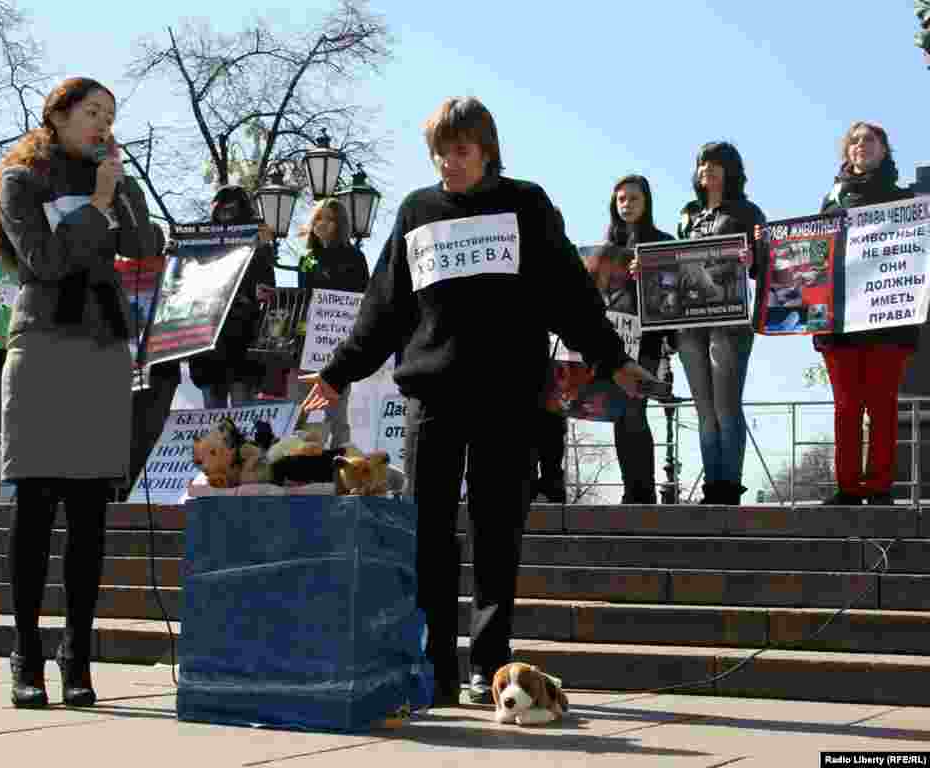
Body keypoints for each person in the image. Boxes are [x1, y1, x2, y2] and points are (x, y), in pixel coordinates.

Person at [299, 96, 656, 707]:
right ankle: (435, 667)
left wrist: (611, 359)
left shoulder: (527, 204)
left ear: (487, 150)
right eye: (440, 151)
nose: (448, 162)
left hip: (509, 395)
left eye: (461, 150)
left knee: (497, 531)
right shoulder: (416, 211)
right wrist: (338, 371)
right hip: (432, 396)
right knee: (428, 534)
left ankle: (490, 665)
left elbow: (568, 294)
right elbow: (385, 308)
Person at [0, 76, 155, 708]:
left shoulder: (111, 178)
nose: (101, 123)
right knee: (34, 505)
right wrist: (95, 205)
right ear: (55, 116)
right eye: (90, 112)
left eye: (109, 114)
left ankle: (76, 653)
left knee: (88, 510)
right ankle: (25, 651)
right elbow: (45, 262)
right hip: (44, 344)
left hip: (102, 349)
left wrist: (118, 190)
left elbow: (144, 247)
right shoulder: (19, 181)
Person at [816, 122, 914, 506]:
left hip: (888, 318)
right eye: (854, 140)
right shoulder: (831, 199)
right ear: (847, 152)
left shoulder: (906, 200)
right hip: (840, 320)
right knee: (846, 406)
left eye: (870, 140)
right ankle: (848, 487)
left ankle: (880, 487)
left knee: (882, 404)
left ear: (884, 150)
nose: (861, 145)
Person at [671, 142, 765, 505]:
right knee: (704, 409)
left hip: (730, 321)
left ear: (730, 170)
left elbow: (762, 265)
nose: (706, 170)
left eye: (715, 164)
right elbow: (672, 263)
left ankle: (730, 485)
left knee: (727, 406)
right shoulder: (687, 214)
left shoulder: (747, 210)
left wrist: (752, 254)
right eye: (701, 165)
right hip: (688, 321)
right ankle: (712, 485)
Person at [602, 175, 675, 504]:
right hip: (614, 339)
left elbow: (677, 287)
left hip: (647, 339)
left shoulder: (662, 241)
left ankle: (642, 491)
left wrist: (649, 274)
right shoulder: (607, 246)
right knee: (621, 413)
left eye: (633, 198)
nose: (626, 204)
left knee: (635, 410)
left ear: (646, 203)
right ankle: (632, 487)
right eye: (621, 199)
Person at [290, 197, 369, 448]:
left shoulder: (355, 257)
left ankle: (340, 470)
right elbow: (302, 302)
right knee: (298, 415)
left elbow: (360, 302)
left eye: (330, 219)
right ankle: (294, 468)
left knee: (337, 415)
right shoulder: (307, 259)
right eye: (318, 218)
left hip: (337, 349)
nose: (322, 223)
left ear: (340, 224)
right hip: (306, 347)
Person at [188, 185, 276, 409]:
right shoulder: (201, 242)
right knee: (212, 416)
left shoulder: (257, 240)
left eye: (231, 210)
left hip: (243, 337)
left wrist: (265, 247)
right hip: (210, 338)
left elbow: (266, 287)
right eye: (221, 210)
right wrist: (178, 249)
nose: (226, 215)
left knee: (242, 412)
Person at [125, 223, 182, 499]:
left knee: (147, 432)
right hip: (134, 367)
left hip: (160, 368)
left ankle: (137, 489)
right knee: (136, 432)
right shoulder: (121, 274)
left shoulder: (173, 274)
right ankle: (127, 488)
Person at [532, 207, 571, 504]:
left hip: (556, 353)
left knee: (551, 420)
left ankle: (551, 482)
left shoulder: (567, 261)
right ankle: (538, 482)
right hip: (531, 351)